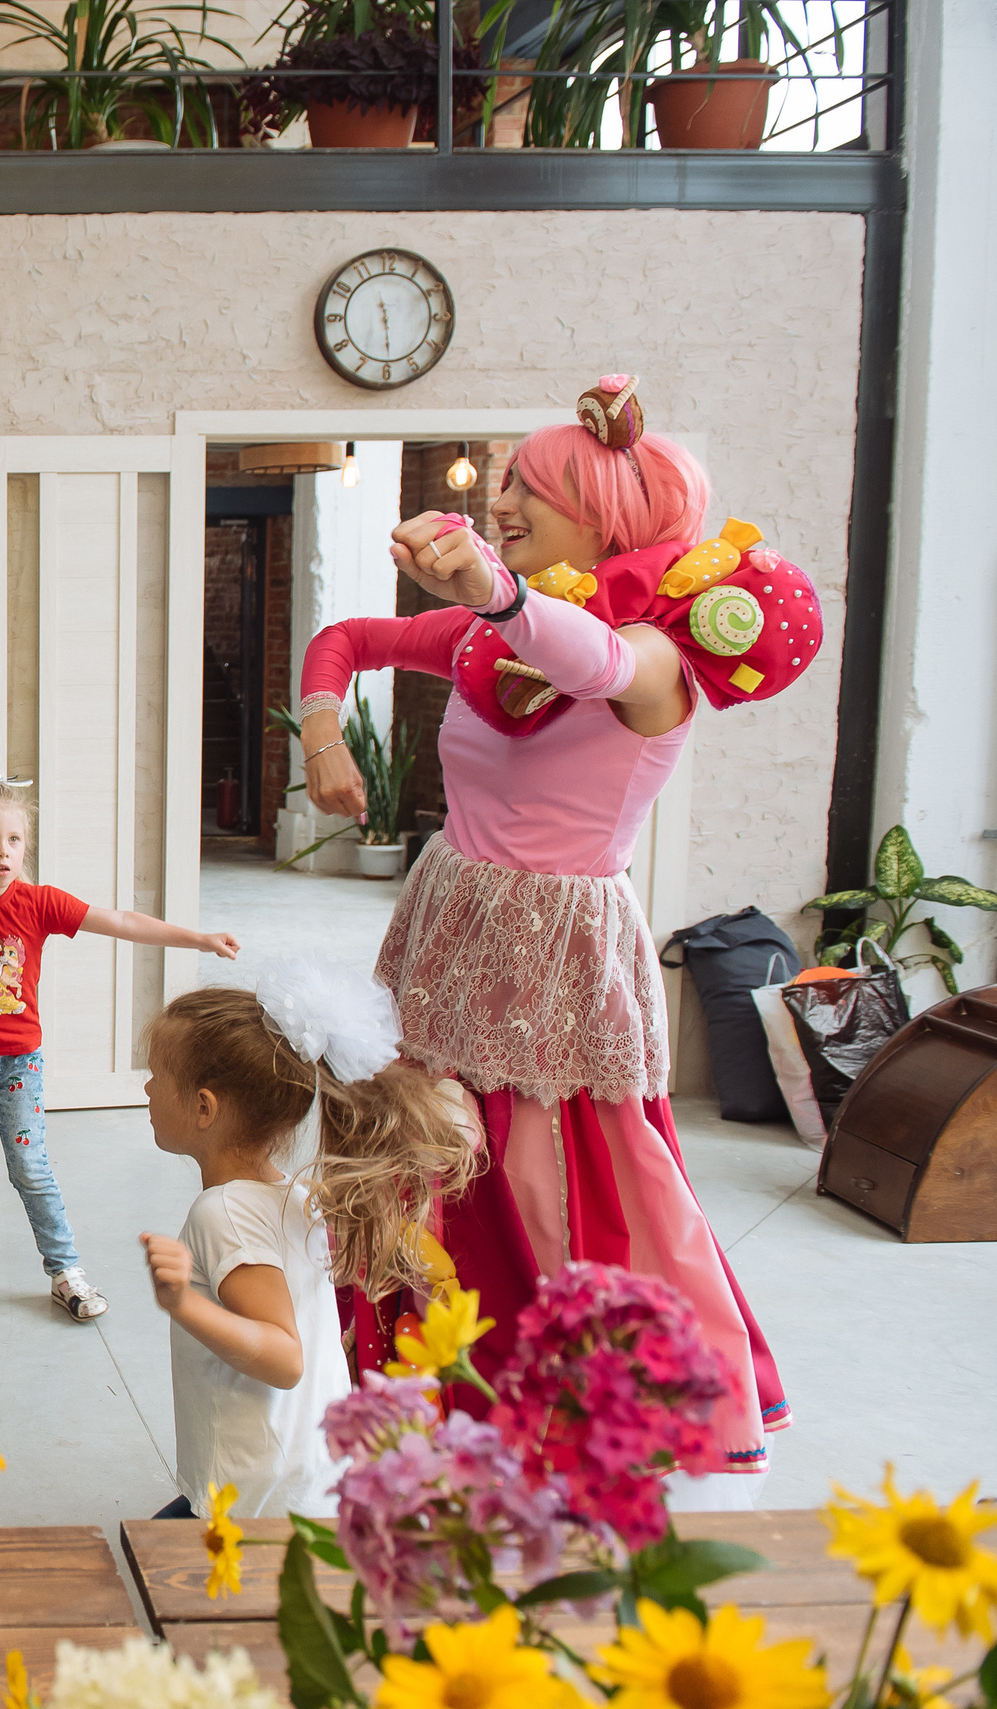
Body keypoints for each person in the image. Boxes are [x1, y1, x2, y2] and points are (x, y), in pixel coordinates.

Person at [295, 374, 824, 1476]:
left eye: (528, 487)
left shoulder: (661, 657)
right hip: (446, 916)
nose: (500, 501)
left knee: (557, 1182)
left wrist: (492, 588)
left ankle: (585, 1417)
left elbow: (594, 660)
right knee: (420, 1156)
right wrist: (322, 741)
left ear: (605, 512)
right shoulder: (498, 633)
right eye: (501, 484)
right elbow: (345, 637)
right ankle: (432, 1399)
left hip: (559, 943)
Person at [0, 766, 240, 1319]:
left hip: (18, 1064)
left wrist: (197, 938)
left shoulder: (39, 904)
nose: (2, 851)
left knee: (31, 1168)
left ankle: (64, 1270)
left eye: (13, 840)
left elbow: (123, 921)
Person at [138, 969, 477, 1519]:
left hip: (253, 1490)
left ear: (204, 1108)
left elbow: (283, 1357)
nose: (147, 1088)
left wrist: (184, 1303)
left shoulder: (221, 1211)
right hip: (303, 1468)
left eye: (155, 1076)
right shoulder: (292, 1196)